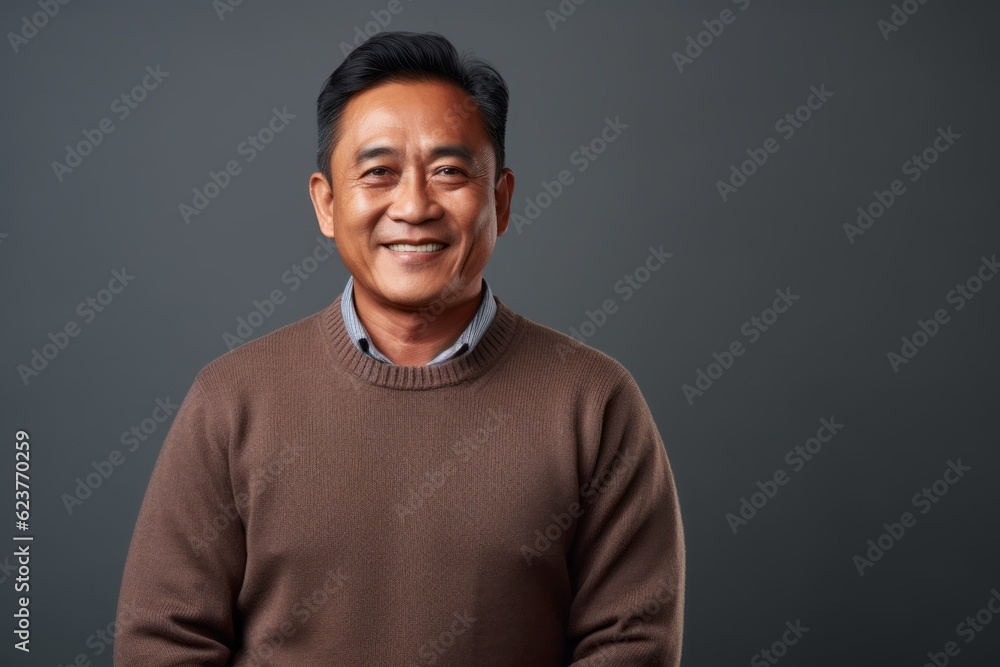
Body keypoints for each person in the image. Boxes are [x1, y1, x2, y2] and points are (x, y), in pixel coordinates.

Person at [114, 30, 685, 666]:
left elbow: (631, 646)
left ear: (500, 199)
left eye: (448, 171)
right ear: (326, 203)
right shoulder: (231, 399)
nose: (413, 206)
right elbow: (163, 643)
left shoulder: (594, 402)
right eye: (379, 173)